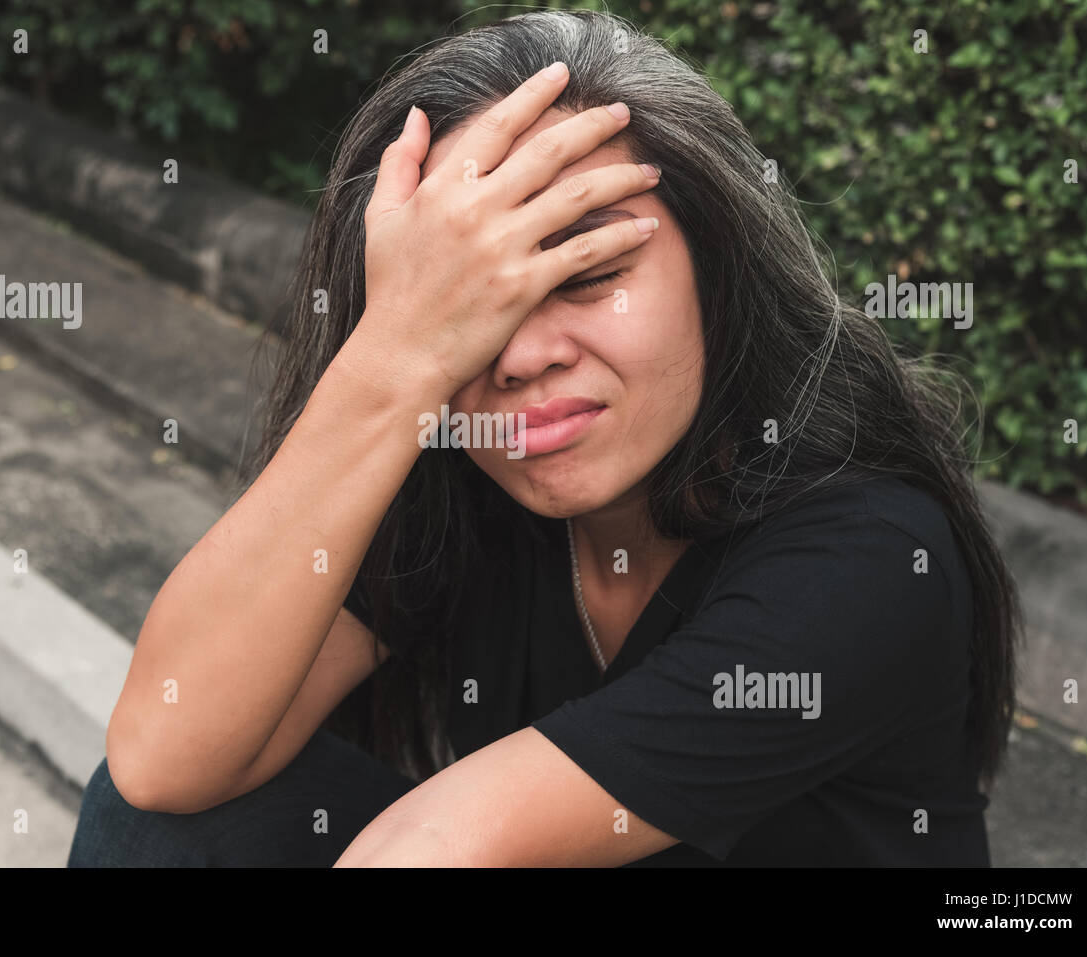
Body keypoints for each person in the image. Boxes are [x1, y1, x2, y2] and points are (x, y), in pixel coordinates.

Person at [68, 8, 1022, 867]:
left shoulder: (865, 552)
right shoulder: (456, 471)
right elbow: (162, 754)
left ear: (719, 271)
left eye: (586, 272)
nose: (518, 355)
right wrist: (395, 360)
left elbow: (429, 851)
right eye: (465, 301)